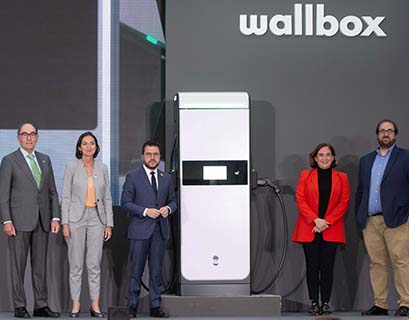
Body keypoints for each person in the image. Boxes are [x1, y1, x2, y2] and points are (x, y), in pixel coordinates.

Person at [0, 123, 61, 318]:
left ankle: (41, 305)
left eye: (32, 134)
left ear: (37, 137)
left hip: (42, 221)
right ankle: (19, 306)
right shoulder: (9, 160)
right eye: (24, 134)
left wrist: (55, 216)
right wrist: (6, 220)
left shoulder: (45, 160)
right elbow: (3, 195)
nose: (28, 137)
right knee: (18, 266)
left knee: (40, 266)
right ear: (18, 137)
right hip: (18, 222)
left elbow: (52, 192)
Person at [356, 119, 409, 317]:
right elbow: (361, 191)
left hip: (397, 219)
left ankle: (405, 303)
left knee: (401, 262)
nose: (385, 134)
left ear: (395, 134)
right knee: (376, 264)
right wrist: (360, 215)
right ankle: (380, 304)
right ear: (377, 134)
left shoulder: (405, 157)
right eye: (382, 131)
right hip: (371, 221)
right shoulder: (366, 160)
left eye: (389, 131)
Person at [292, 143, 350, 316]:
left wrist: (327, 221)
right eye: (321, 155)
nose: (324, 158)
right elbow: (300, 199)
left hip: (331, 229)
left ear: (333, 158)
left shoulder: (342, 177)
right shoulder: (305, 175)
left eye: (328, 155)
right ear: (315, 158)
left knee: (327, 267)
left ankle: (325, 302)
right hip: (309, 228)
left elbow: (344, 202)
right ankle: (313, 302)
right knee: (312, 266)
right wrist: (316, 220)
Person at [121, 140, 177, 318]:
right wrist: (145, 211)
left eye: (155, 154)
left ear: (159, 157)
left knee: (156, 271)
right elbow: (126, 202)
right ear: (142, 156)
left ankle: (155, 306)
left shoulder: (166, 178)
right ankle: (132, 306)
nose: (152, 158)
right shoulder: (132, 177)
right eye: (149, 154)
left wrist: (168, 209)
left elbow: (173, 201)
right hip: (139, 231)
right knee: (136, 270)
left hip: (159, 231)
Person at [61, 132, 113, 318]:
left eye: (92, 143)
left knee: (94, 264)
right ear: (79, 147)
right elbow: (65, 196)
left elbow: (107, 197)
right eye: (85, 143)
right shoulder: (71, 166)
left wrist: (109, 224)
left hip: (97, 220)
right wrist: (65, 222)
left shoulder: (103, 168)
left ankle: (95, 305)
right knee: (75, 264)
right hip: (76, 219)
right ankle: (75, 305)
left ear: (96, 147)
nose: (89, 146)